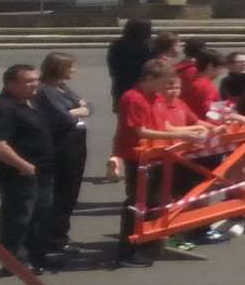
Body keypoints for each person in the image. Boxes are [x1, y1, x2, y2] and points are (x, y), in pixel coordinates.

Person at [112, 61, 213, 266]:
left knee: (155, 201)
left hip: (157, 155)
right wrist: (183, 134)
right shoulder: (134, 97)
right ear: (149, 79)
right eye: (162, 82)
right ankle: (127, 250)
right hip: (138, 157)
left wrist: (187, 132)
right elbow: (141, 131)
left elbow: (164, 124)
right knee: (137, 203)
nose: (165, 87)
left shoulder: (155, 96)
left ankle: (148, 242)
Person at [0, 65, 58, 273]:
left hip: (43, 171)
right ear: (11, 84)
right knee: (18, 218)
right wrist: (25, 166)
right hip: (19, 175)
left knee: (40, 216)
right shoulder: (4, 108)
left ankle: (36, 257)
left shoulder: (31, 102)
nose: (35, 84)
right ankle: (14, 262)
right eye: (28, 81)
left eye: (36, 79)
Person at [36, 53, 91, 254]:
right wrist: (78, 110)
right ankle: (53, 238)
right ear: (59, 69)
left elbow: (87, 107)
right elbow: (63, 118)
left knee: (71, 191)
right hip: (61, 145)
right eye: (70, 67)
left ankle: (61, 235)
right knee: (62, 192)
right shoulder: (45, 91)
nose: (74, 71)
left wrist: (78, 110)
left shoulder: (62, 87)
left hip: (75, 143)